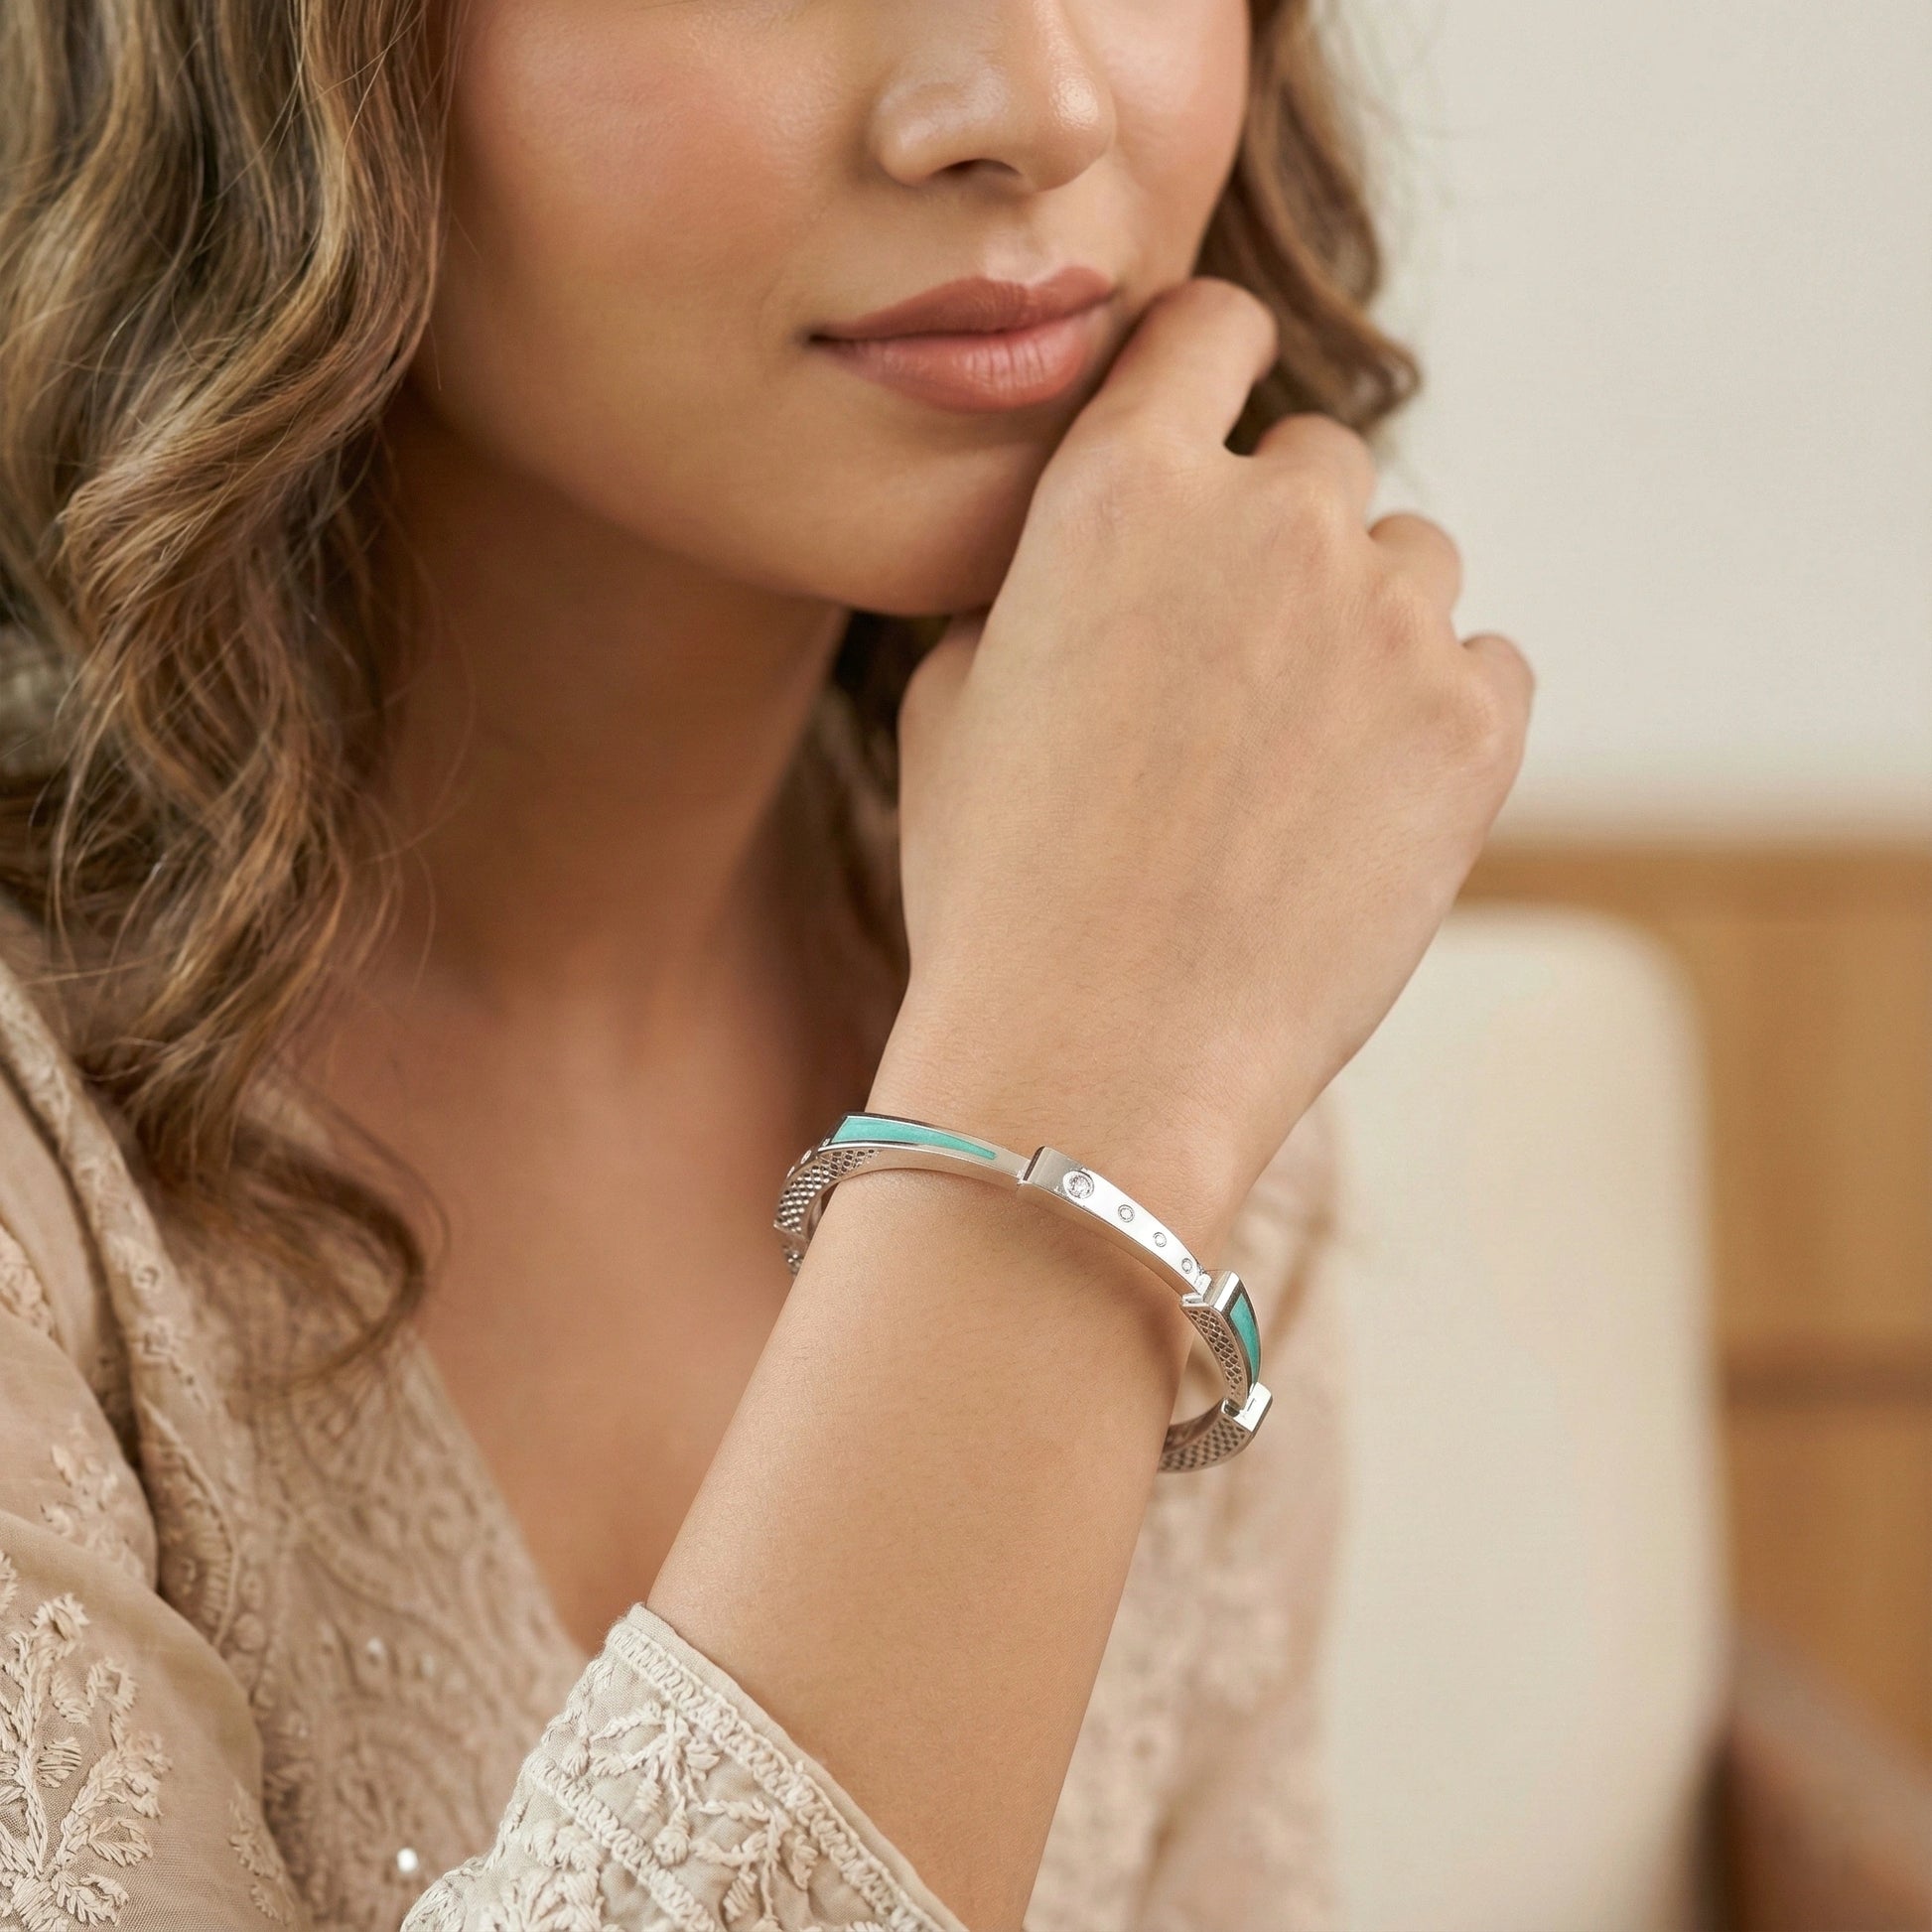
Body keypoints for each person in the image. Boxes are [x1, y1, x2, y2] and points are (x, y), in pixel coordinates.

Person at [0, 0, 1532, 1925]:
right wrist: (1054, 1142)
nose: (1037, 107)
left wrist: (1097, 1069)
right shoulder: (1120, 1037)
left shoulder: (1156, 974)